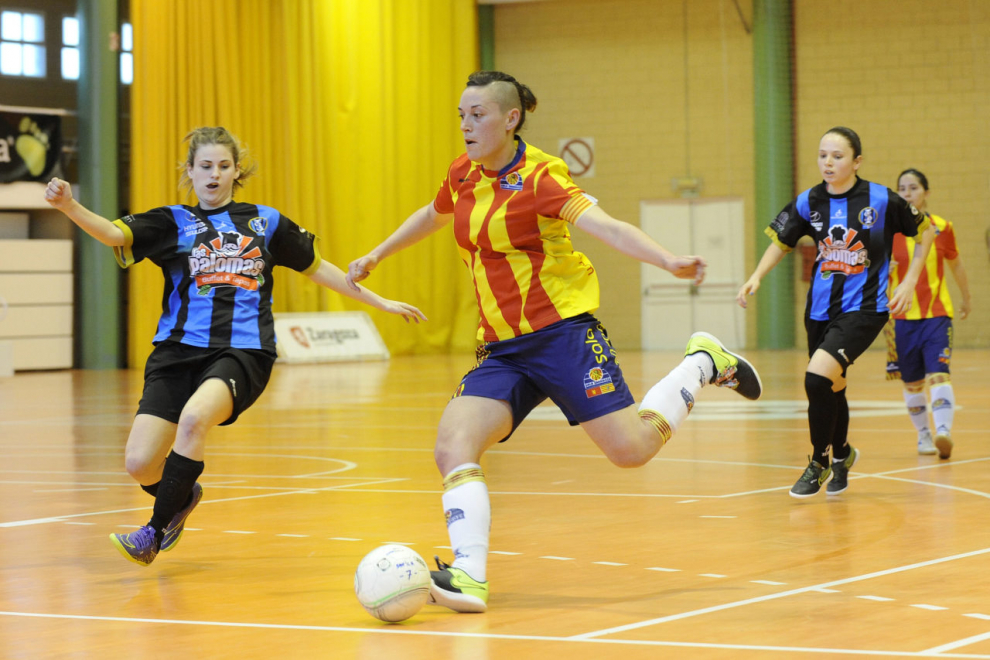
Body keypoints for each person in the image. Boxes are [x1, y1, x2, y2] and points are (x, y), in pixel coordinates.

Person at [346, 71, 762, 614]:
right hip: (502, 347)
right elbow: (434, 213)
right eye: (462, 116)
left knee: (630, 452)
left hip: (563, 334)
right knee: (453, 443)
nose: (467, 126)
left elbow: (606, 225)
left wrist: (665, 259)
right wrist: (379, 254)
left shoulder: (543, 176)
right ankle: (469, 576)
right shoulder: (462, 173)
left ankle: (704, 362)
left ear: (510, 118)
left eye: (478, 115)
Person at [44, 126, 426, 567]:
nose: (214, 175)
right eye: (205, 166)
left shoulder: (266, 221)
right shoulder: (173, 221)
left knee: (194, 419)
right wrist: (68, 205)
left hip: (243, 352)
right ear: (189, 171)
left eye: (224, 166)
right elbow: (114, 235)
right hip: (175, 352)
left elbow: (321, 270)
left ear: (236, 171)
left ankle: (152, 530)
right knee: (140, 463)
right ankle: (183, 495)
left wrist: (380, 302)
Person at [736, 127, 935, 499]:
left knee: (815, 380)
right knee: (832, 384)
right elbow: (782, 242)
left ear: (857, 161)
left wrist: (908, 281)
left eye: (838, 156)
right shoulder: (808, 201)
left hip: (866, 309)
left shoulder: (881, 199)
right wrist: (756, 277)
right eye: (822, 155)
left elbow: (926, 233)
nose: (828, 162)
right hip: (820, 310)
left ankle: (819, 461)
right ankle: (843, 453)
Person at [884, 169, 971, 459]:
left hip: (937, 314)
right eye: (902, 188)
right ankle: (923, 435)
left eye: (914, 187)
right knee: (912, 382)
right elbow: (873, 272)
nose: (907, 193)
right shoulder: (888, 232)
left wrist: (966, 298)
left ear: (926, 192)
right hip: (903, 318)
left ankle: (943, 430)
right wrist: (886, 271)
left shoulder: (941, 227)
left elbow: (956, 264)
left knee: (939, 374)